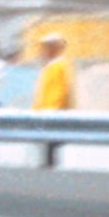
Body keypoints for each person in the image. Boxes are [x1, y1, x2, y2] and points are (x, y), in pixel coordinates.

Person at [31, 33, 74, 169]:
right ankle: (48, 165)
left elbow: (59, 91)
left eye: (45, 47)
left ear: (54, 48)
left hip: (52, 111)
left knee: (51, 142)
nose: (42, 51)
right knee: (48, 143)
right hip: (46, 110)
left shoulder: (59, 66)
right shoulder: (50, 66)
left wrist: (51, 109)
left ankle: (50, 166)